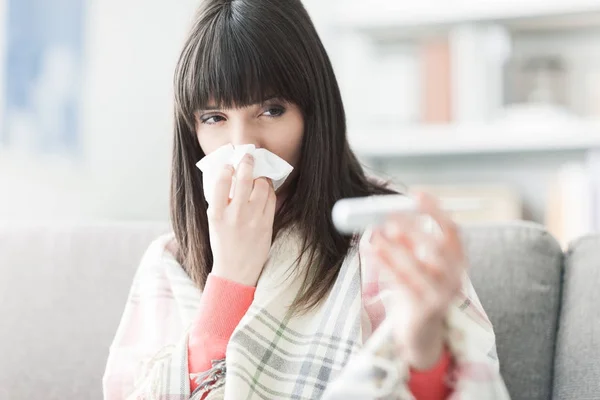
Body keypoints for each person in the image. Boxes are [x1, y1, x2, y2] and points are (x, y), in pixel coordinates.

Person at [103, 0, 510, 399]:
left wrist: (424, 348)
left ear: (313, 113)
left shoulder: (386, 240)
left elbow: (470, 381)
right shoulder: (169, 262)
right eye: (214, 118)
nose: (243, 148)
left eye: (271, 110)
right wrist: (229, 280)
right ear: (191, 132)